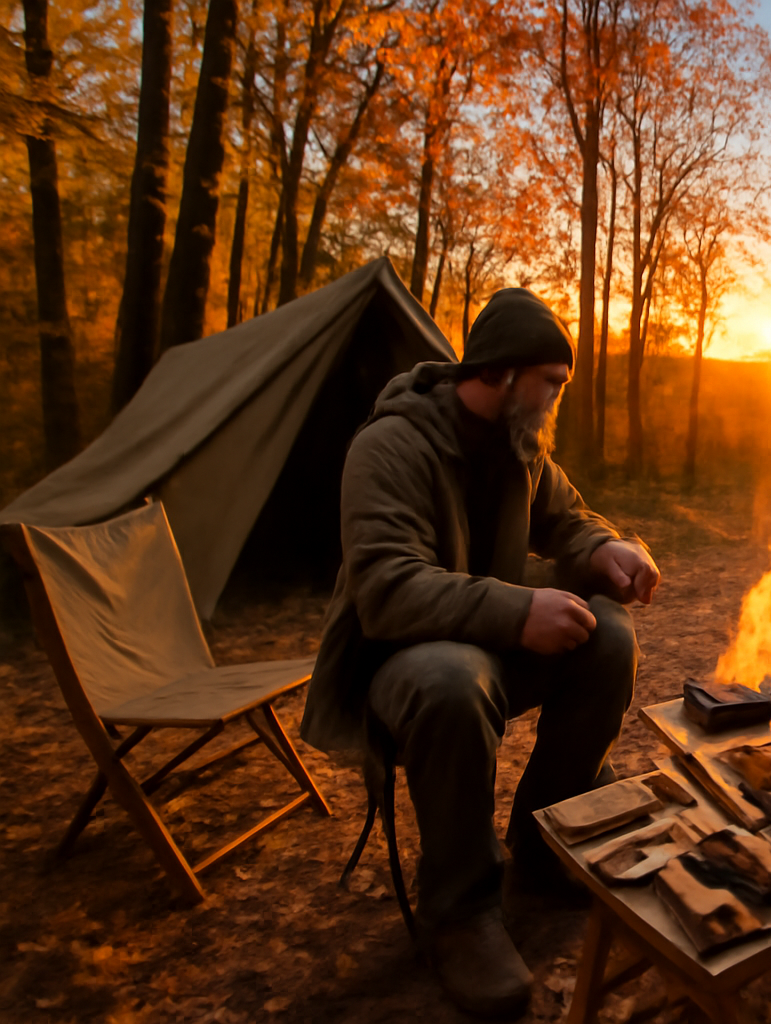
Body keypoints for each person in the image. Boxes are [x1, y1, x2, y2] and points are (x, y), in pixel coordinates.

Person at [300, 287, 660, 1019]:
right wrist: (519, 608)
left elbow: (569, 520)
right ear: (501, 373)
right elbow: (387, 589)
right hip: (398, 659)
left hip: (485, 639)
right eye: (551, 383)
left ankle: (546, 841)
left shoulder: (518, 443)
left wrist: (609, 548)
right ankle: (460, 910)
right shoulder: (388, 446)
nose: (557, 398)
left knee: (610, 634)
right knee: (450, 680)